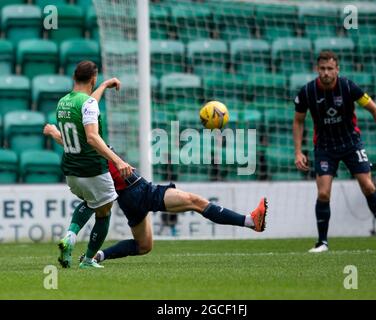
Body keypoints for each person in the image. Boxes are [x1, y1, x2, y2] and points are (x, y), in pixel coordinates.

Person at [43, 125, 268, 266]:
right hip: (138, 190)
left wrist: (54, 132)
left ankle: (98, 256)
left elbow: (67, 140)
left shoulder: (84, 146)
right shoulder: (94, 142)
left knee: (144, 246)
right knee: (195, 202)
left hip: (128, 198)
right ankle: (250, 221)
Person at [293, 50, 376, 253]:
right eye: (322, 69)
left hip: (351, 144)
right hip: (325, 147)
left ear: (337, 69)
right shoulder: (307, 92)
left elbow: (374, 109)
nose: (326, 73)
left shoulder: (348, 87)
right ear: (317, 69)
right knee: (324, 193)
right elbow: (298, 120)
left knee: (369, 187)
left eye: (330, 69)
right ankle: (322, 242)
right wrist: (298, 151)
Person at [55, 60, 133, 268]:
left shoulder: (63, 102)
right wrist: (118, 160)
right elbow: (91, 137)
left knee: (91, 201)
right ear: (93, 78)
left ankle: (70, 237)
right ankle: (88, 260)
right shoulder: (88, 104)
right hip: (93, 169)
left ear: (74, 77)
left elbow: (88, 104)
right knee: (104, 211)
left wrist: (104, 86)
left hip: (72, 172)